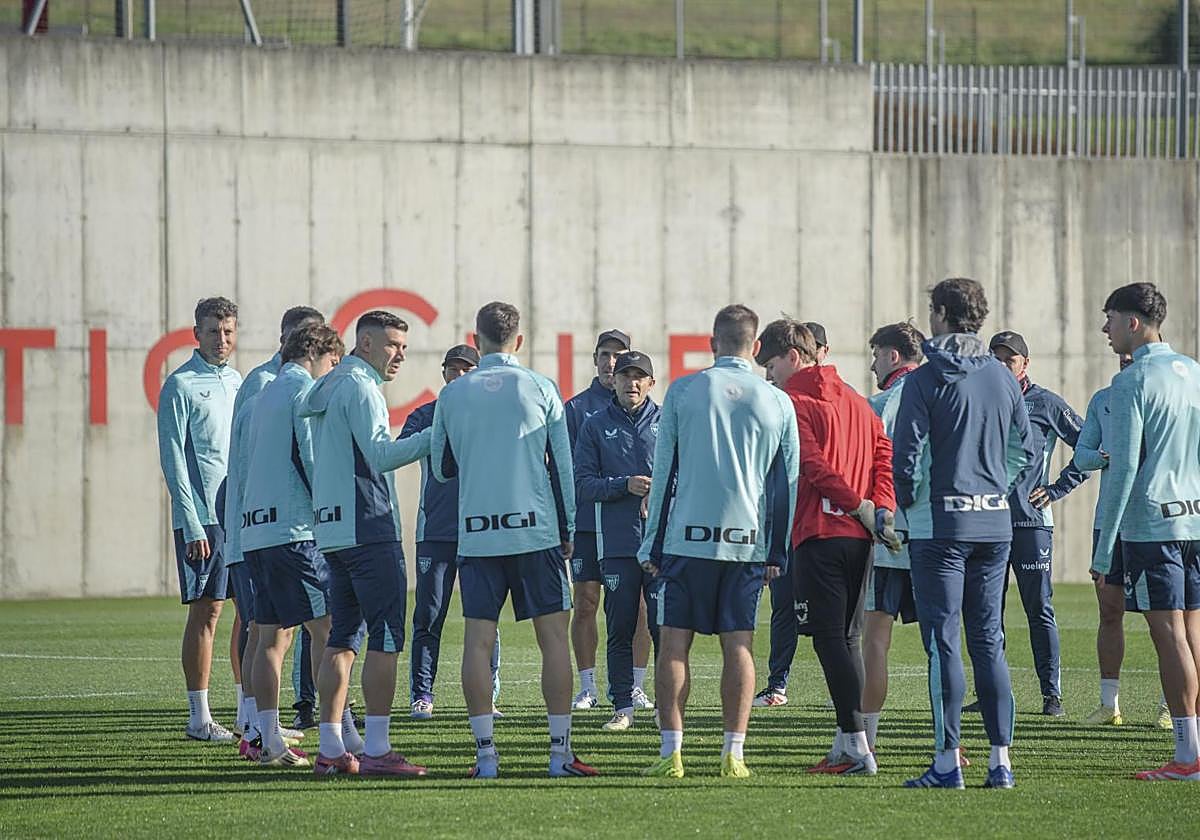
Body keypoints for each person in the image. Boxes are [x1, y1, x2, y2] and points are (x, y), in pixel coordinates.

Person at [431, 301, 598, 780]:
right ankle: (559, 756)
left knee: (478, 643)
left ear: (476, 339)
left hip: (478, 534)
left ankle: (486, 759)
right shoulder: (541, 387)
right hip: (536, 532)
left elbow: (442, 468)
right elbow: (563, 470)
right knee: (553, 643)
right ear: (518, 341)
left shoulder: (454, 394)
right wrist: (567, 533)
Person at [639, 304, 799, 780]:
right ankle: (734, 754)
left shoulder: (684, 391)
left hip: (686, 540)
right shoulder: (776, 401)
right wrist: (777, 549)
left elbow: (663, 471)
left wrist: (652, 545)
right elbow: (785, 483)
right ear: (754, 348)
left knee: (673, 646)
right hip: (746, 544)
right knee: (740, 646)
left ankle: (673, 754)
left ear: (712, 343)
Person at [892, 277, 1036, 790]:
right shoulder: (1002, 375)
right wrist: (997, 486)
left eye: (933, 311)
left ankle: (948, 762)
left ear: (943, 314)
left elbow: (904, 459)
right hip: (994, 524)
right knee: (989, 642)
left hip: (941, 527)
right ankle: (1001, 762)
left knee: (945, 644)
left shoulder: (924, 379)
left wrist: (907, 508)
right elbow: (1028, 447)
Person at [756, 319, 897, 777]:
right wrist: (882, 509)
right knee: (848, 637)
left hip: (820, 532)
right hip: (860, 537)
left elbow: (811, 465)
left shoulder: (791, 401)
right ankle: (845, 743)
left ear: (794, 357)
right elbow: (883, 456)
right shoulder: (859, 401)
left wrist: (859, 505)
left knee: (828, 638)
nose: (768, 373)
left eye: (771, 363)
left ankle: (857, 747)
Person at [300, 310, 432, 778]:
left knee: (341, 640)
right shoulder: (361, 386)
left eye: (404, 347)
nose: (399, 355)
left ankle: (332, 747)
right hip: (367, 528)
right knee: (387, 638)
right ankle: (376, 747)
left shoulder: (331, 384)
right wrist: (435, 437)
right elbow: (380, 454)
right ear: (367, 343)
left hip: (333, 531)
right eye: (393, 344)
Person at [1091, 282, 1200, 782]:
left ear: (1133, 322)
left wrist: (1103, 543)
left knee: (1167, 633)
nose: (1105, 328)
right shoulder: (1193, 372)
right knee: (1193, 632)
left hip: (1153, 524)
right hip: (1195, 517)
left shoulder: (1130, 382)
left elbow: (1125, 467)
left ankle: (1187, 756)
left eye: (1110, 318)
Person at [241, 322, 346, 768]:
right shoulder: (303, 392)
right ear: (317, 353)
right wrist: (331, 515)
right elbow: (310, 459)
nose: (332, 373)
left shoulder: (262, 395)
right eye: (334, 363)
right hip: (294, 533)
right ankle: (336, 735)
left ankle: (267, 738)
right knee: (327, 631)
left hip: (256, 533)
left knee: (268, 636)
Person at [223, 306, 323, 756]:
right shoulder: (273, 384)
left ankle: (259, 731)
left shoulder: (271, 385)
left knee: (270, 632)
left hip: (258, 527)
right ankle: (265, 726)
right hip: (276, 529)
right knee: (300, 630)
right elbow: (246, 462)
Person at [988, 330, 1089, 718]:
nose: (1002, 365)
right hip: (988, 524)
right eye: (995, 359)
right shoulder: (982, 399)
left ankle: (1052, 696)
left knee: (1038, 608)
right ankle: (993, 692)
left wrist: (1059, 486)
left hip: (1031, 524)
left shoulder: (1045, 403)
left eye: (1009, 360)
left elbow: (1090, 445)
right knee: (987, 612)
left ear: (1025, 364)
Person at [157, 296, 243, 743]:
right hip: (203, 518)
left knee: (250, 613)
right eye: (213, 331)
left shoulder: (238, 382)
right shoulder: (181, 385)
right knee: (207, 613)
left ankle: (250, 711)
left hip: (239, 516)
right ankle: (199, 717)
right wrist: (190, 522)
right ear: (197, 334)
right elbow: (173, 460)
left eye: (228, 331)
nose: (221, 339)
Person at [402, 344, 503, 721]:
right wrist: (441, 429)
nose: (459, 376)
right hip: (436, 531)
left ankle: (488, 695)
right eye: (452, 369)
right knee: (428, 614)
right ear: (443, 374)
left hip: (481, 530)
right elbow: (401, 451)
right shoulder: (424, 415)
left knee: (485, 617)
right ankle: (421, 694)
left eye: (466, 369)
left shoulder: (491, 416)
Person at [574, 350, 661, 731]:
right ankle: (622, 706)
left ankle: (666, 707)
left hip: (661, 544)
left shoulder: (668, 422)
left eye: (640, 376)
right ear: (616, 380)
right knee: (620, 626)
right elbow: (582, 483)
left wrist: (657, 491)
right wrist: (623, 486)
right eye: (626, 375)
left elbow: (685, 476)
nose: (632, 382)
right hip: (618, 545)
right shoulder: (595, 425)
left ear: (651, 383)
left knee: (665, 627)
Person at [752, 321, 833, 709]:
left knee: (831, 619)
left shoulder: (836, 403)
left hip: (822, 525)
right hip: (781, 524)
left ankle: (845, 695)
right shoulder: (772, 402)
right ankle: (777, 684)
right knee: (783, 607)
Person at [861, 321, 926, 756]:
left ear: (894, 356)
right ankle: (949, 742)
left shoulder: (880, 403)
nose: (872, 364)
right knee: (940, 644)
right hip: (935, 536)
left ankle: (864, 741)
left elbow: (869, 469)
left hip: (888, 537)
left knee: (874, 641)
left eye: (876, 355)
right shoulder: (942, 395)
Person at [1075, 353, 1146, 727]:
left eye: (1131, 356)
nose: (1125, 359)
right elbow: (1081, 455)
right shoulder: (1103, 399)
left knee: (1165, 619)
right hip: (1109, 522)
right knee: (1109, 611)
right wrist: (1101, 457)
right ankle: (1109, 704)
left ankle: (1172, 709)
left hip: (1150, 523)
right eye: (1121, 356)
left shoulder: (1161, 395)